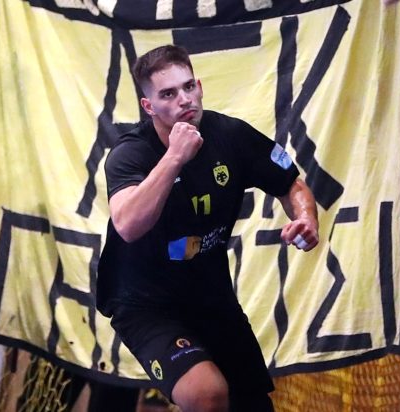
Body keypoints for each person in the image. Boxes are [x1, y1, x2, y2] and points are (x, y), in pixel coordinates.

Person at [96, 45, 319, 412]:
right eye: (168, 94)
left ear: (199, 86)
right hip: (145, 303)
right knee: (207, 394)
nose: (184, 99)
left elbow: (291, 183)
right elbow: (128, 225)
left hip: (209, 294)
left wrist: (306, 217)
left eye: (188, 87)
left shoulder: (231, 135)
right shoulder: (130, 153)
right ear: (149, 106)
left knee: (252, 404)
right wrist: (174, 157)